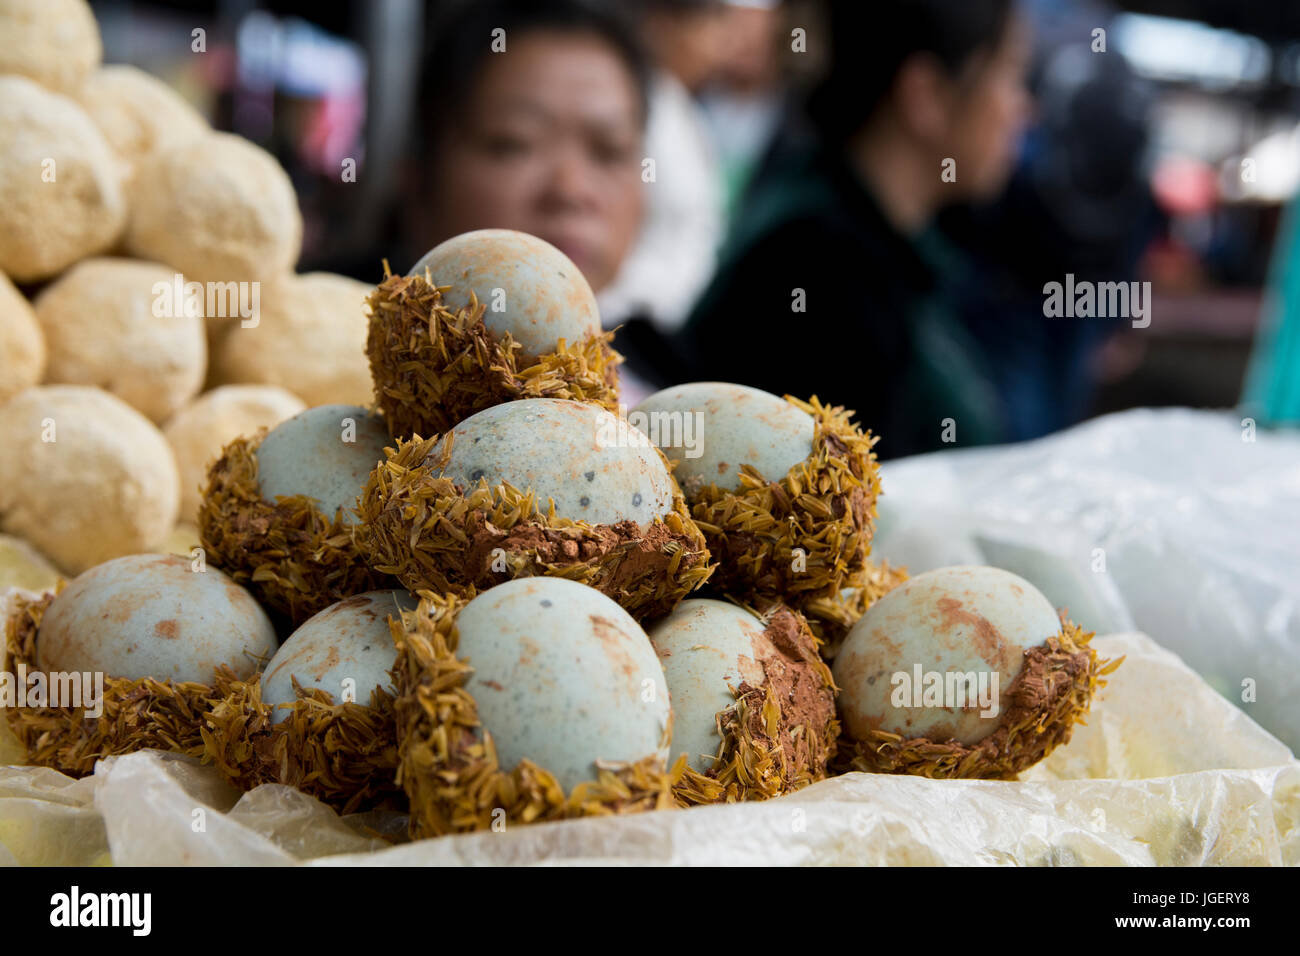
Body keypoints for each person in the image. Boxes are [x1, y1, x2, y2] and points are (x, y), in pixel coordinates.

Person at [639, 0, 1033, 458]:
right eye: (1009, 77)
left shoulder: (880, 242)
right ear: (925, 95)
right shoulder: (815, 264)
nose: (1022, 109)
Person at [404, 0, 650, 299]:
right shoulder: (349, 328)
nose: (570, 191)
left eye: (610, 151)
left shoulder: (653, 344)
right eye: (513, 145)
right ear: (420, 183)